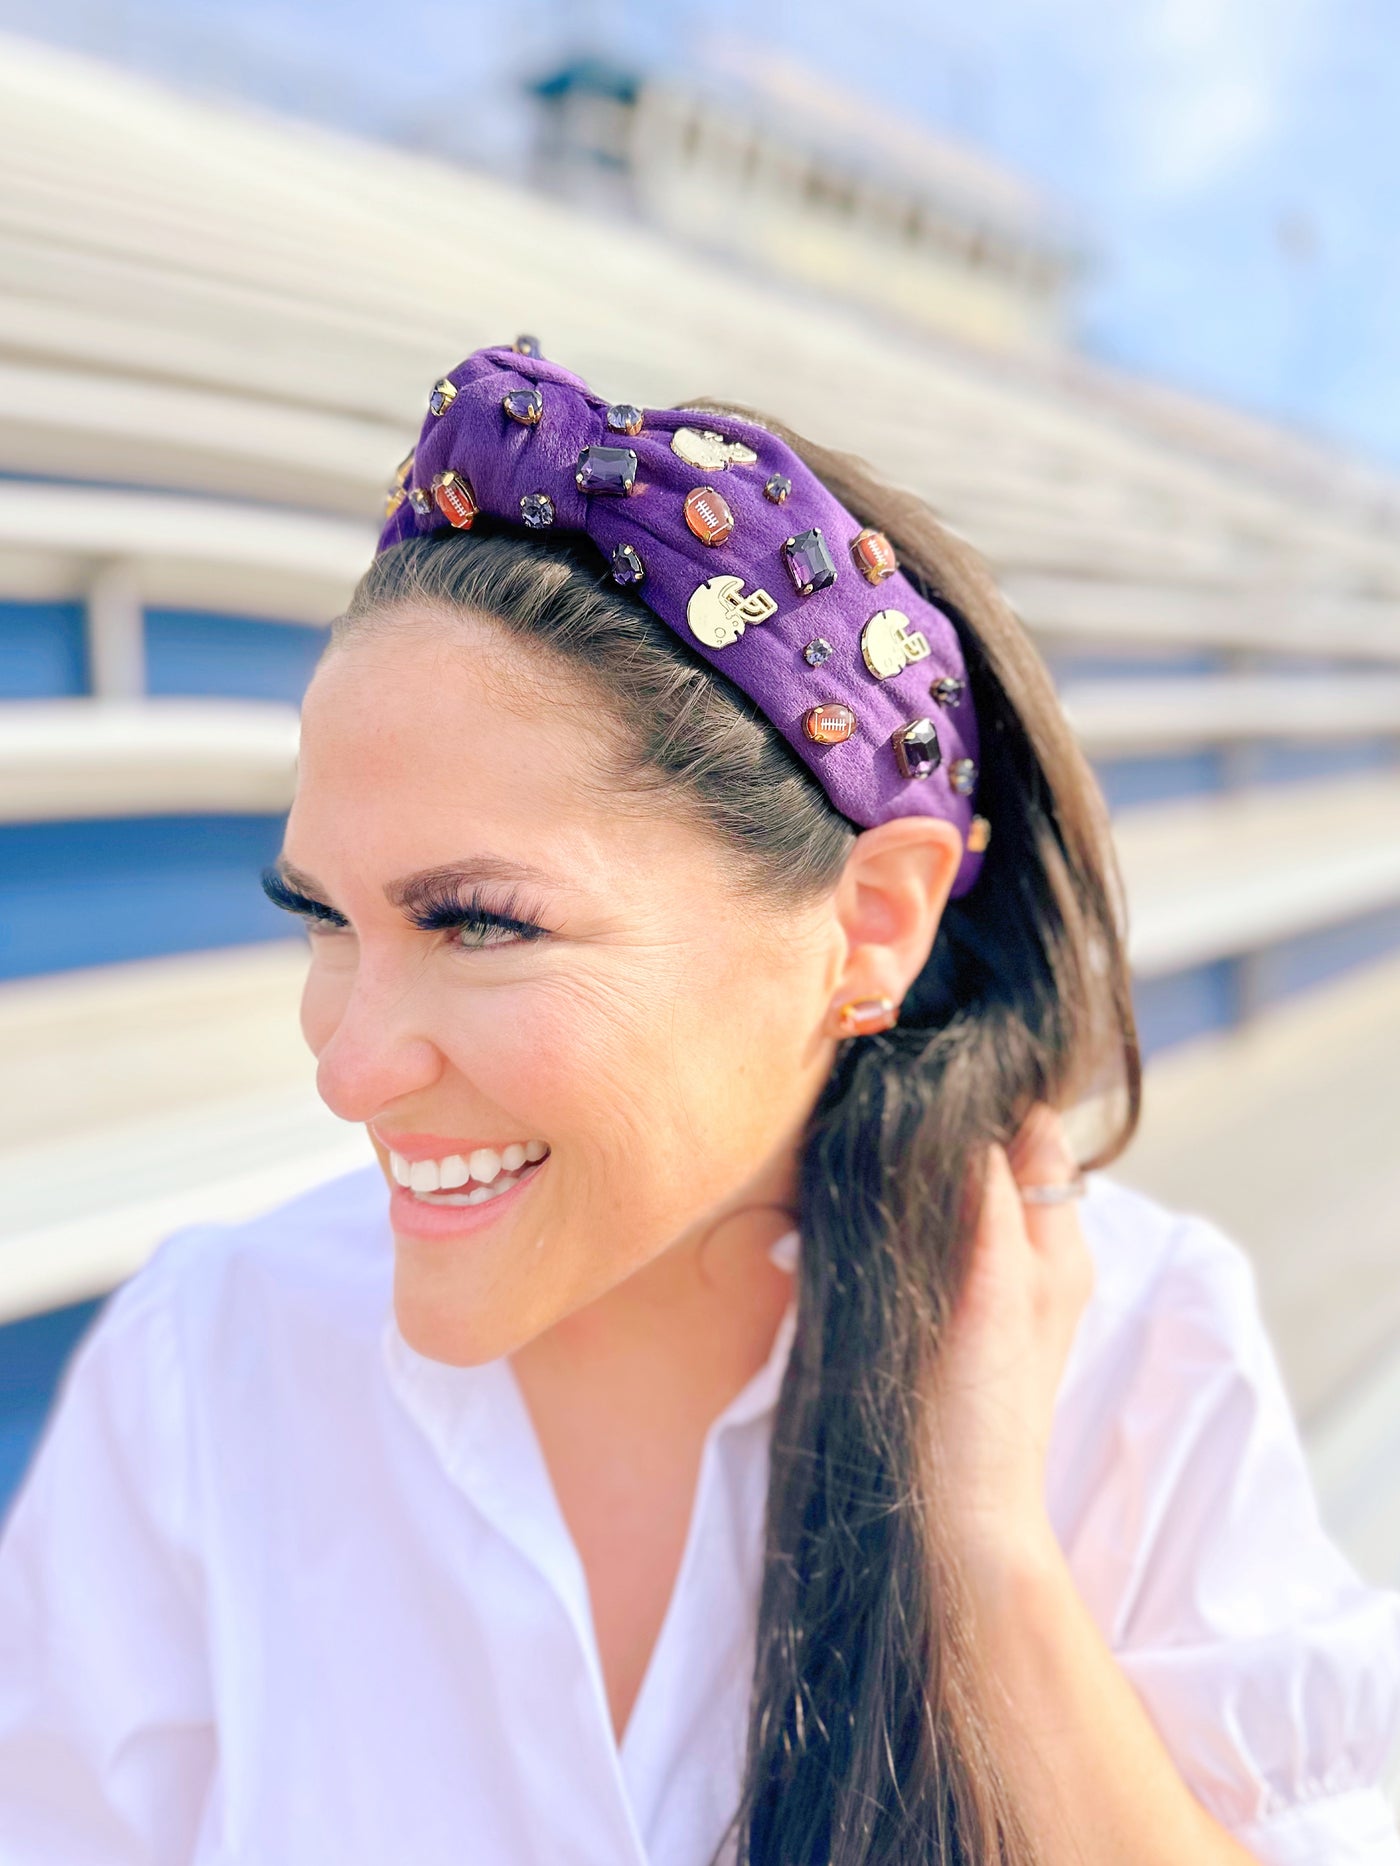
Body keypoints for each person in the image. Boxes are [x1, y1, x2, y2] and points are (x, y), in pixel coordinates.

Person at [1, 341, 1398, 1866]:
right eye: (325, 916)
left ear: (872, 921)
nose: (344, 1065)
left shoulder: (1135, 1362)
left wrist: (989, 1558)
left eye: (476, 922)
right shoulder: (209, 1363)